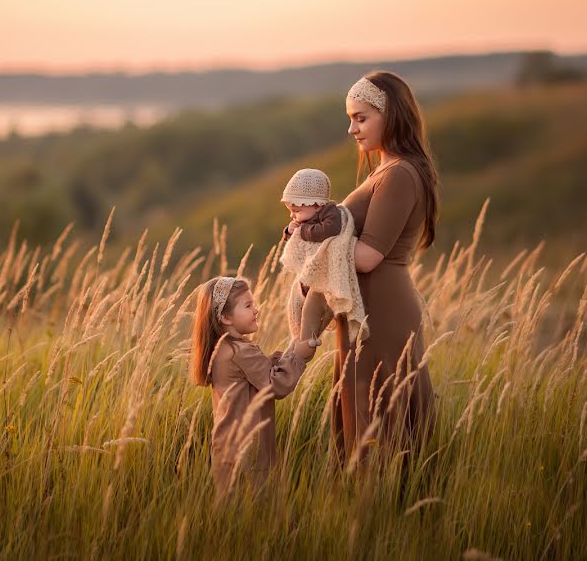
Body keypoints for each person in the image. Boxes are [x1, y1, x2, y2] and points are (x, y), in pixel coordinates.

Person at [334, 71, 441, 467]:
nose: (351, 129)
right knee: (364, 413)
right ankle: (367, 511)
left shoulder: (399, 173)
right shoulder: (386, 169)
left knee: (381, 419)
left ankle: (392, 509)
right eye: (350, 118)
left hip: (383, 311)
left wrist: (315, 240)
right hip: (367, 311)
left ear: (391, 115)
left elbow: (366, 258)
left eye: (361, 118)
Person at [189, 276, 317, 494]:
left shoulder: (223, 349)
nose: (256, 310)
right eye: (248, 305)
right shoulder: (241, 351)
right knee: (257, 505)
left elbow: (264, 372)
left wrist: (292, 350)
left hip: (227, 446)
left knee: (234, 508)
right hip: (250, 449)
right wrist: (299, 357)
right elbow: (277, 384)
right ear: (226, 317)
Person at [279, 168, 367, 348]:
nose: (292, 215)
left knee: (312, 313)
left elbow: (330, 231)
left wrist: (302, 231)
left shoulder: (331, 213)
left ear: (316, 204)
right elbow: (296, 241)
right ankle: (297, 338)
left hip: (324, 278)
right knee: (294, 304)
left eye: (295, 210)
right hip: (308, 277)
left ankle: (307, 340)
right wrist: (289, 231)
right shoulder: (308, 217)